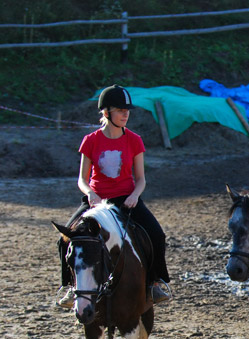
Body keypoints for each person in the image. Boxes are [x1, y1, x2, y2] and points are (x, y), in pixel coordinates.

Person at [56, 84, 171, 308]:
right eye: (120, 110)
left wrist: (135, 195)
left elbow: (141, 179)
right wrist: (91, 193)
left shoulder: (134, 140)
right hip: (97, 200)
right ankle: (70, 286)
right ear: (106, 112)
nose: (125, 114)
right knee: (64, 239)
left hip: (126, 199)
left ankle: (156, 283)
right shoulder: (90, 140)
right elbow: (81, 179)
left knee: (157, 235)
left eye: (127, 110)